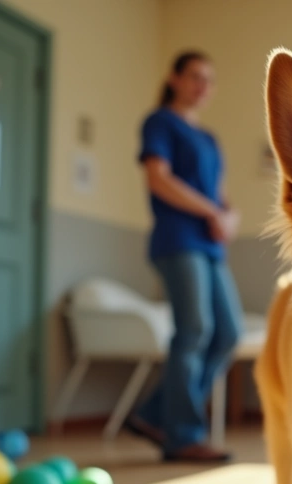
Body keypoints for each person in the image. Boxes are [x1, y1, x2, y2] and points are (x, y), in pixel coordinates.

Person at [126, 51, 242, 462]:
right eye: (195, 77)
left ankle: (155, 413)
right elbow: (159, 179)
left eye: (209, 80)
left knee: (228, 332)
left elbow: (221, 195)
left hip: (211, 246)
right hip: (178, 241)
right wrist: (212, 212)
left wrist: (229, 217)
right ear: (174, 78)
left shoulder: (210, 139)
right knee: (193, 329)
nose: (202, 86)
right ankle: (183, 435)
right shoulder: (160, 122)